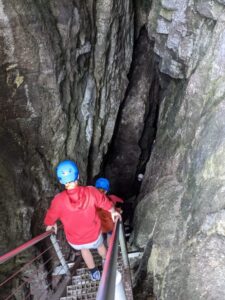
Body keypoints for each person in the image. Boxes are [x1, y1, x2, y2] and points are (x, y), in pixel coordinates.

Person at [44, 160, 121, 281]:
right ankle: (107, 262)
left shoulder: (58, 201)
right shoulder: (91, 192)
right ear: (78, 176)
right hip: (94, 235)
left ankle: (94, 272)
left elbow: (51, 215)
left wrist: (50, 224)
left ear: (61, 181)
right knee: (100, 245)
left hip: (75, 240)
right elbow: (104, 202)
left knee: (84, 250)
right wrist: (112, 211)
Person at [95, 177, 124, 246]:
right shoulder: (111, 199)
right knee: (110, 235)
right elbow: (121, 202)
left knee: (100, 238)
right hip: (109, 226)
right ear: (107, 190)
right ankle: (109, 249)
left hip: (98, 226)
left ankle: (101, 246)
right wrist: (119, 210)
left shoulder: (91, 201)